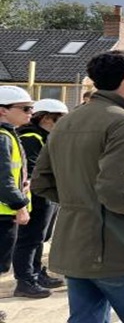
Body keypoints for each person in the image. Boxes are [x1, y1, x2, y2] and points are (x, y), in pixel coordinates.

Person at [31, 50, 124, 323]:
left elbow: (42, 182)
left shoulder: (68, 120)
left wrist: (83, 202)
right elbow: (121, 194)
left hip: (78, 249)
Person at [12, 99, 69, 299]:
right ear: (46, 118)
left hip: (47, 194)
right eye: (59, 119)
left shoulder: (48, 136)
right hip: (37, 196)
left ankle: (36, 272)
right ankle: (25, 280)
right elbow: (34, 169)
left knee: (40, 237)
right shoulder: (31, 137)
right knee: (29, 238)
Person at [0, 86, 34, 322]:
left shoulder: (9, 134)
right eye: (24, 108)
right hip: (3, 213)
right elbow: (3, 179)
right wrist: (20, 205)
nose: (30, 113)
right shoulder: (2, 138)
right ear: (3, 111)